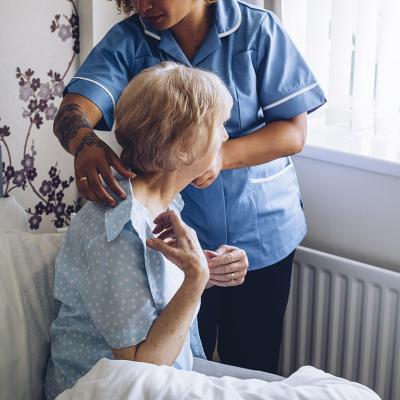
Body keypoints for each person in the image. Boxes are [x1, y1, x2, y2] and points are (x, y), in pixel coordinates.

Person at [53, 0, 326, 373]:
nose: (142, 5)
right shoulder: (129, 40)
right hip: (174, 240)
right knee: (184, 352)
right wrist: (83, 141)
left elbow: (293, 131)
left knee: (254, 363)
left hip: (260, 228)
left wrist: (220, 155)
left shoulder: (258, 29)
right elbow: (148, 362)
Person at [45, 62, 247, 399]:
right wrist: (195, 280)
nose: (225, 136)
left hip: (169, 376)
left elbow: (150, 293)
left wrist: (204, 269)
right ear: (183, 148)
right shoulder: (117, 228)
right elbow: (140, 366)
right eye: (220, 126)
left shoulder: (161, 203)